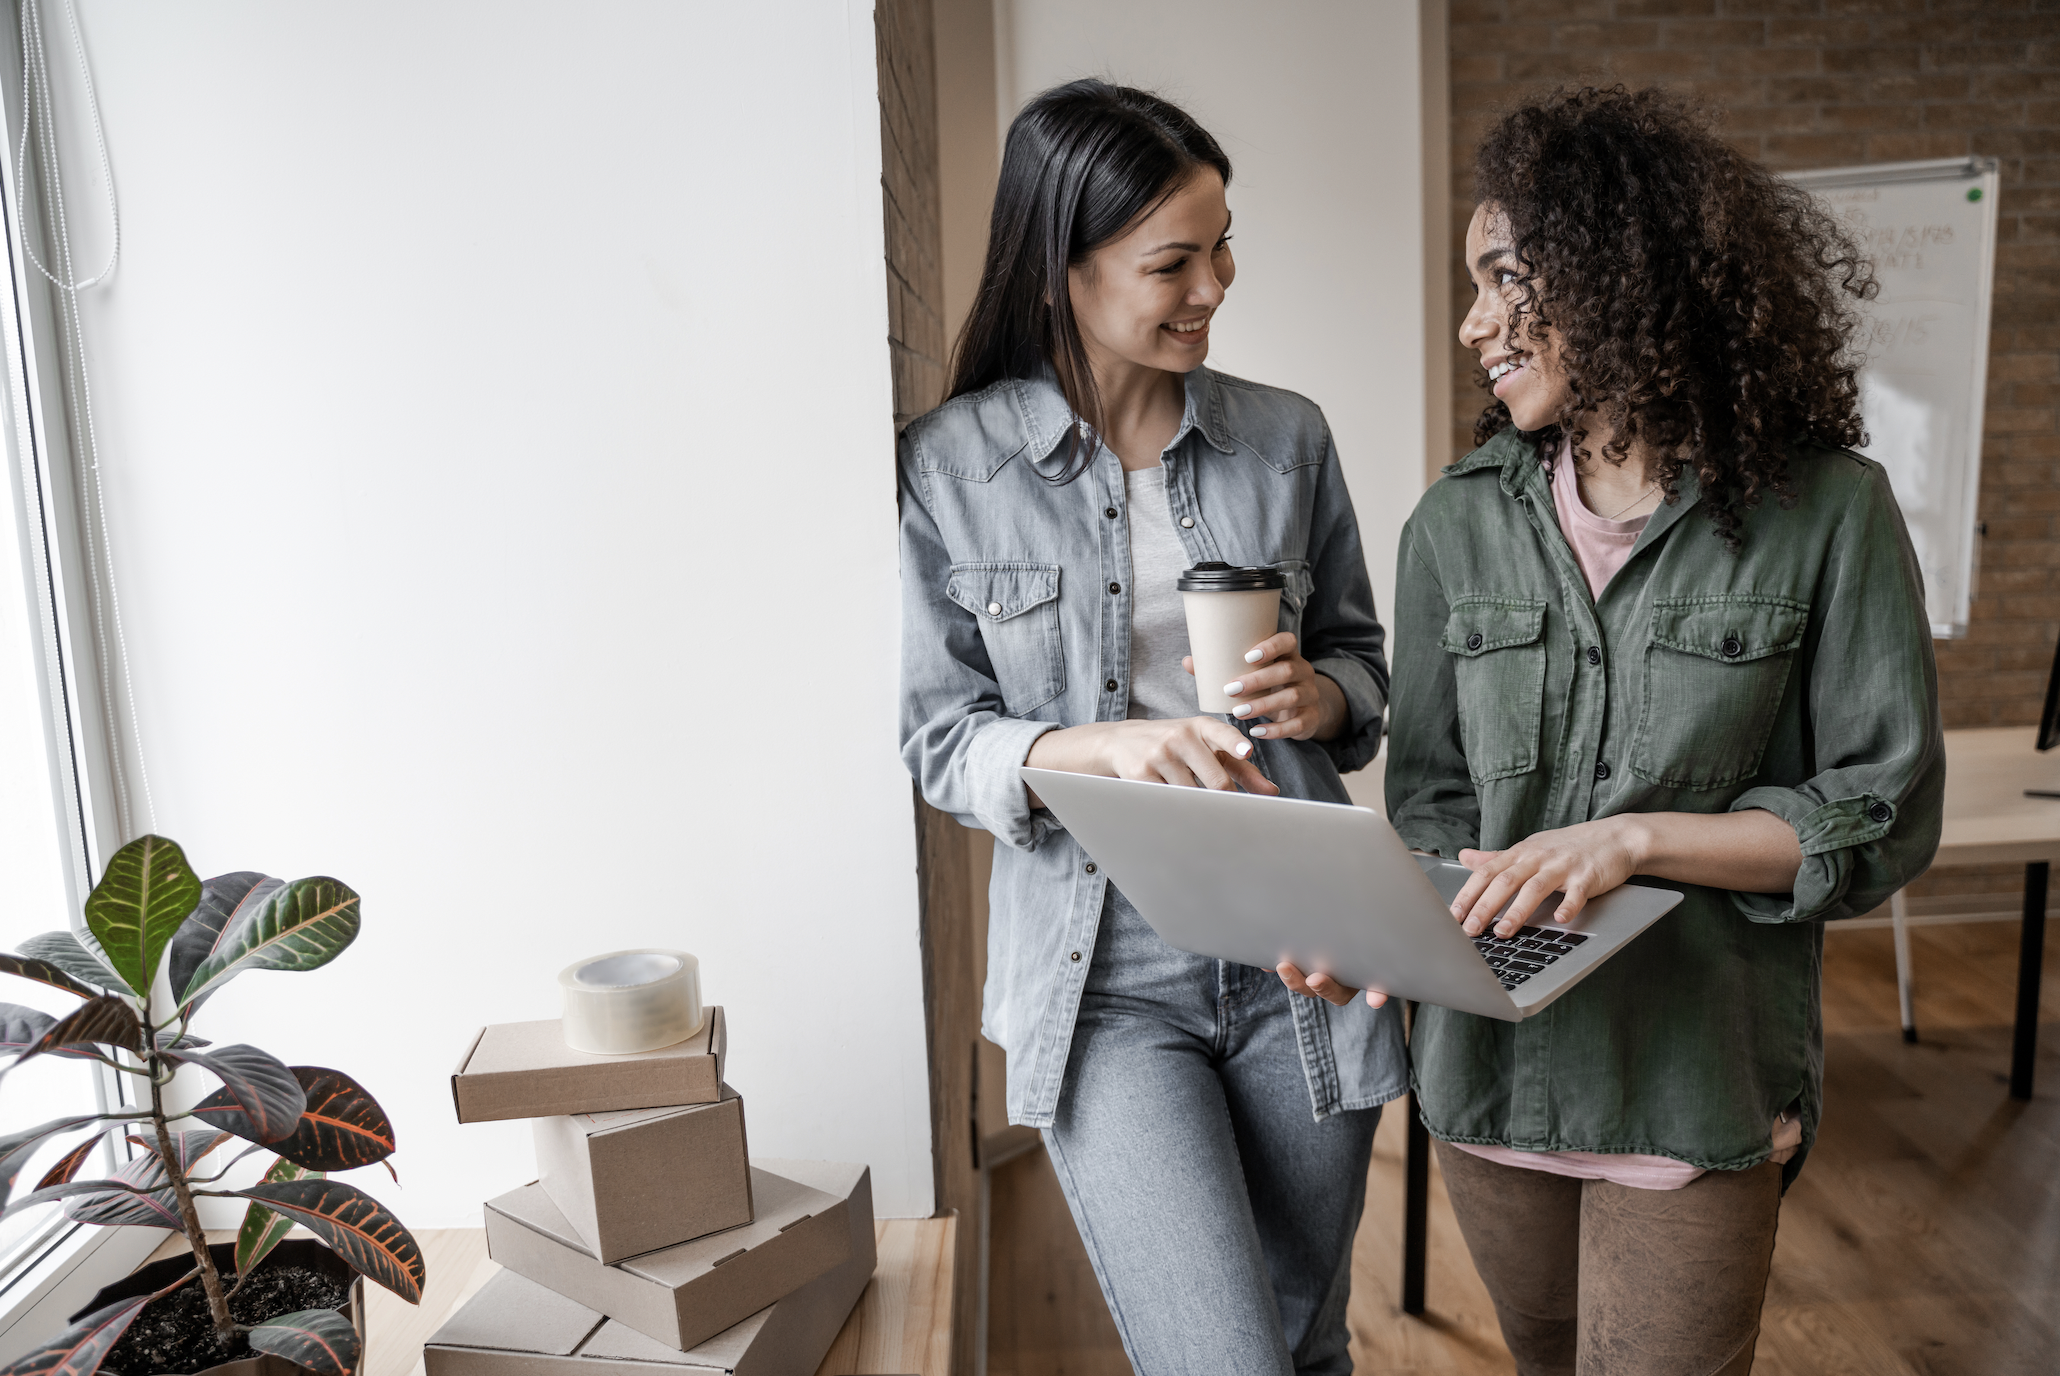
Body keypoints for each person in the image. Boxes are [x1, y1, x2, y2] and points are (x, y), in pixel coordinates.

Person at [1279, 87, 1944, 1375]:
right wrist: (1393, 928)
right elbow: (1430, 805)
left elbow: (1882, 806)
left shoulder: (1829, 512)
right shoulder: (1454, 524)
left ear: (1618, 276)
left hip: (1691, 1082)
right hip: (1488, 1081)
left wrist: (1639, 841)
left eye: (1503, 280)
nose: (1472, 323)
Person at [898, 79, 1404, 1376]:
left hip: (1305, 945)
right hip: (1103, 974)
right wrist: (1091, 748)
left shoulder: (1283, 441)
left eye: (1223, 245)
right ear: (1061, 269)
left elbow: (1362, 670)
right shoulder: (950, 469)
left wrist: (1324, 694)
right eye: (1172, 260)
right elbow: (938, 738)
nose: (1213, 285)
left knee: (1305, 1344)